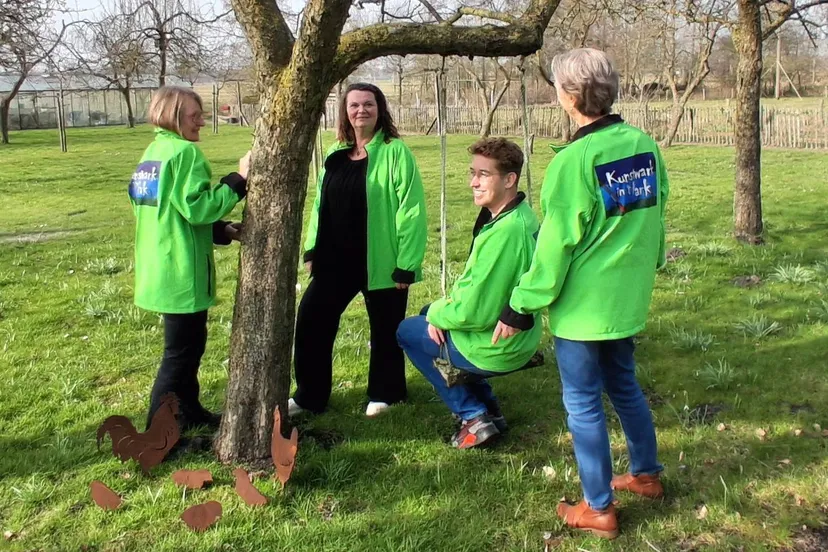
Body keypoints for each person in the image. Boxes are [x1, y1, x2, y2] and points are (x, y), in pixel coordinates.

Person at [493, 49, 670, 539]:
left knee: (584, 403)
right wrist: (650, 262)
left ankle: (599, 507)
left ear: (568, 96)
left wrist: (520, 306)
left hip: (583, 309)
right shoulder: (642, 144)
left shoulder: (574, 161)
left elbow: (555, 246)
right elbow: (656, 211)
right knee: (626, 386)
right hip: (626, 300)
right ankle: (646, 474)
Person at [290, 83, 427, 418]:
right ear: (345, 111)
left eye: (368, 104)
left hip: (381, 261)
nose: (361, 110)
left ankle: (386, 393)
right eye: (354, 105)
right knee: (311, 321)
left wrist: (406, 265)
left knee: (385, 328)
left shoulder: (396, 152)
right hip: (335, 260)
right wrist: (311, 249)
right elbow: (320, 204)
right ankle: (310, 396)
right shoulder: (335, 153)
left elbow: (411, 210)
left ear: (379, 110)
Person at [396, 138, 542, 449]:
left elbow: (474, 313)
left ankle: (473, 416)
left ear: (509, 179)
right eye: (472, 172)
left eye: (484, 175)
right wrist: (436, 312)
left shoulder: (505, 234)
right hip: (515, 334)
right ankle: (491, 410)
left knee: (408, 330)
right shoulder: (519, 215)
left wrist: (439, 314)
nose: (473, 182)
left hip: (497, 344)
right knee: (426, 315)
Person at [129, 86, 250, 431]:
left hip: (159, 264)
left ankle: (189, 409)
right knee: (179, 355)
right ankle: (159, 434)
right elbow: (198, 208)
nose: (202, 120)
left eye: (201, 113)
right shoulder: (185, 154)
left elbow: (169, 211)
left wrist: (220, 230)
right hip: (181, 269)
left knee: (190, 346)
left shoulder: (153, 153)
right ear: (173, 116)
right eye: (194, 115)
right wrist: (239, 179)